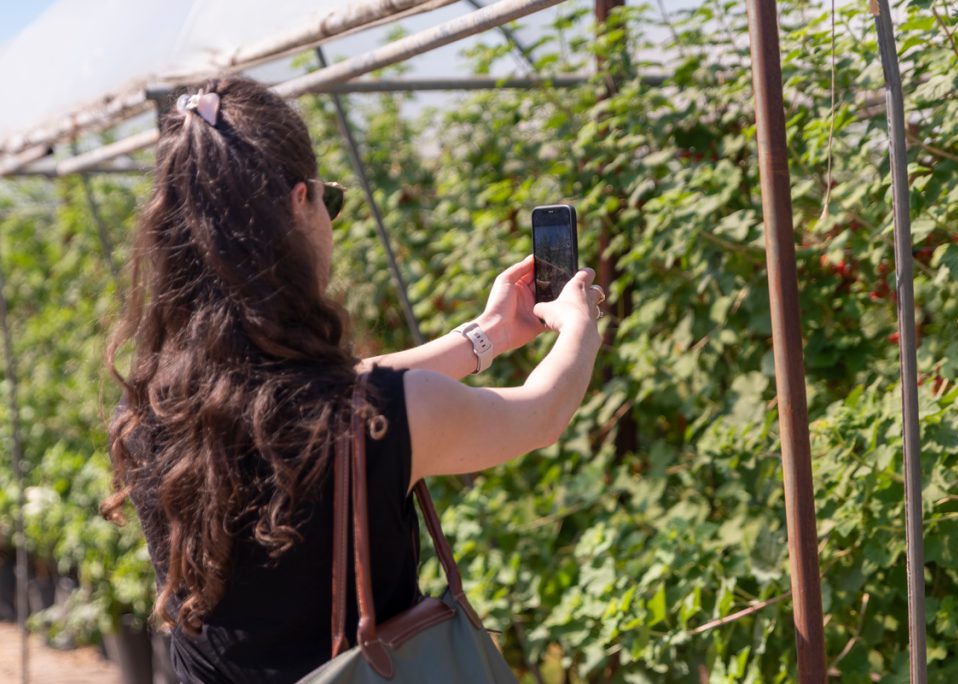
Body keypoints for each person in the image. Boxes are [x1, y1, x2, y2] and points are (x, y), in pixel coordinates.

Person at [103, 76, 602, 683]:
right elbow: (539, 413)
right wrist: (578, 326)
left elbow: (344, 387)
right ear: (298, 203)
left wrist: (486, 336)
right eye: (327, 199)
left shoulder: (154, 415)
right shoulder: (378, 417)